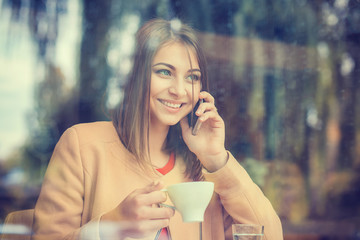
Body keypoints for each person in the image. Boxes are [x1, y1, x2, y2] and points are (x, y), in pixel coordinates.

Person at [31, 18, 283, 240]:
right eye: (164, 72)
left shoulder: (203, 169)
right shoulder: (82, 144)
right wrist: (112, 225)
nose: (179, 90)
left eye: (192, 77)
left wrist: (216, 159)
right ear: (135, 76)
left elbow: (270, 236)